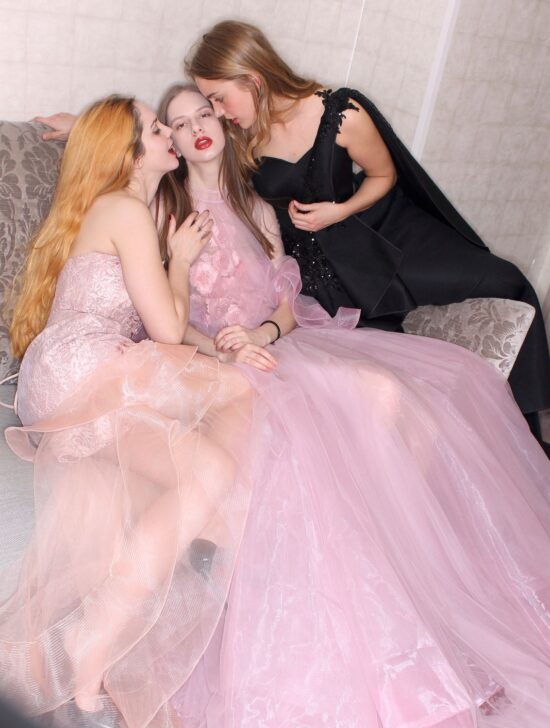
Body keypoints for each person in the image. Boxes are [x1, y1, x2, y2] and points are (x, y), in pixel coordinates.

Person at [154, 84, 550, 728]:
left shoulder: (255, 202)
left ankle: (424, 595)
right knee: (314, 433)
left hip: (284, 341)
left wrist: (266, 332)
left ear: (222, 121)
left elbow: (287, 294)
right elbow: (164, 313)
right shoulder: (168, 210)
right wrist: (224, 344)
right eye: (181, 124)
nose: (198, 129)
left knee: (406, 393)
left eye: (205, 114)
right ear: (171, 140)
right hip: (217, 358)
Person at [0, 94, 255, 728]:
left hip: (74, 374)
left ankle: (89, 671)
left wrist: (67, 122)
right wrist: (181, 259)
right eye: (157, 128)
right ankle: (190, 554)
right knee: (233, 408)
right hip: (90, 366)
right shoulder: (125, 209)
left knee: (203, 475)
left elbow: (168, 331)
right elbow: (167, 330)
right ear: (130, 152)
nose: (170, 133)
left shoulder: (119, 207)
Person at [185, 19, 550, 444]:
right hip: (315, 277)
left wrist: (339, 211)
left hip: (373, 236)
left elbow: (384, 175)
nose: (219, 111)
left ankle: (529, 428)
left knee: (508, 282)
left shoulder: (340, 113)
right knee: (376, 375)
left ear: (252, 78)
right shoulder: (238, 134)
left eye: (219, 97)